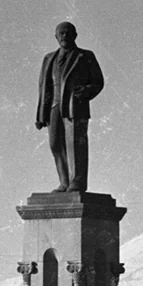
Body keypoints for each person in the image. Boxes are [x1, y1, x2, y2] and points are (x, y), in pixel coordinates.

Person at [36, 21, 104, 193]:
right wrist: (41, 114)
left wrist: (85, 92)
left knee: (75, 144)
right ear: (56, 36)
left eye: (68, 32)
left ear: (75, 35)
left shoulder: (85, 56)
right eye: (61, 33)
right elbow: (44, 86)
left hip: (75, 106)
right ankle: (64, 182)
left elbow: (98, 82)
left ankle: (77, 182)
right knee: (55, 144)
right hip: (54, 106)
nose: (64, 36)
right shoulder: (49, 58)